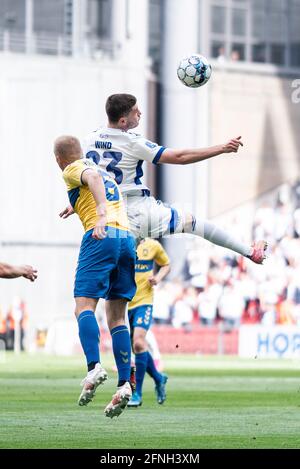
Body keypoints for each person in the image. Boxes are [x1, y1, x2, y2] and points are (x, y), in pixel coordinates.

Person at [61, 94, 267, 263]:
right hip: (139, 211)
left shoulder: (88, 141)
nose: (140, 113)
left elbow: (90, 176)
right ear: (123, 121)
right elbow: (180, 157)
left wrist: (76, 204)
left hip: (113, 221)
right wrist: (221, 148)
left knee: (116, 292)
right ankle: (249, 251)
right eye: (135, 111)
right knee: (194, 223)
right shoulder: (133, 142)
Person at [54, 135, 137, 419]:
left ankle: (94, 367)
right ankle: (125, 384)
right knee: (117, 317)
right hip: (126, 240)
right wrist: (77, 205)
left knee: (83, 307)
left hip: (101, 236)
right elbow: (97, 185)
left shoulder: (73, 168)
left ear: (59, 160)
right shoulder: (102, 170)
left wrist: (99, 215)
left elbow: (91, 180)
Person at [127, 238, 170, 408]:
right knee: (138, 348)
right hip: (125, 302)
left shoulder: (153, 245)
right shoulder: (124, 242)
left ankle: (137, 393)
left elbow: (166, 264)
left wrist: (158, 277)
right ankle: (159, 379)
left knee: (138, 342)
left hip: (144, 302)